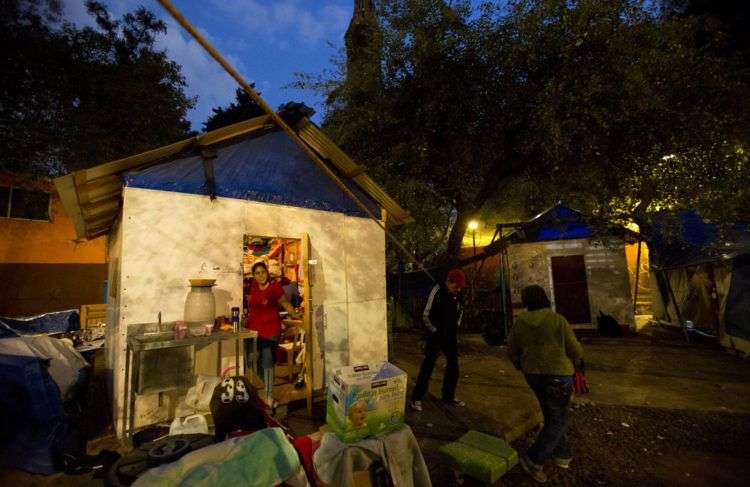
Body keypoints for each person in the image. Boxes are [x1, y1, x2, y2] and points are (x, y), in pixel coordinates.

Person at [508, 285, 584, 483]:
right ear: (544, 298)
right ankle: (533, 459)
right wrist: (576, 361)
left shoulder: (519, 323)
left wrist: (521, 365)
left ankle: (562, 454)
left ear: (526, 302)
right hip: (558, 375)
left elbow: (512, 350)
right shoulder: (558, 320)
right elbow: (575, 350)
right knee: (558, 419)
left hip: (533, 375)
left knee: (552, 415)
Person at [410, 268, 467, 412]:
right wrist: (435, 331)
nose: (458, 289)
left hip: (450, 335)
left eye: (460, 286)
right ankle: (416, 398)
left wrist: (455, 326)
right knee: (428, 365)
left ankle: (448, 396)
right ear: (449, 282)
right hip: (435, 335)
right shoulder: (436, 290)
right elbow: (425, 315)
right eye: (456, 286)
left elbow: (460, 312)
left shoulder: (458, 294)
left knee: (453, 365)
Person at [246, 261, 301, 406]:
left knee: (267, 360)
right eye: (257, 273)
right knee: (251, 361)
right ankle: (267, 384)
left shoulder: (275, 287)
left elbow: (285, 304)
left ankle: (269, 396)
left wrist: (297, 316)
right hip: (253, 330)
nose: (261, 275)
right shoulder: (253, 286)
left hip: (271, 330)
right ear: (254, 275)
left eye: (263, 272)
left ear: (267, 272)